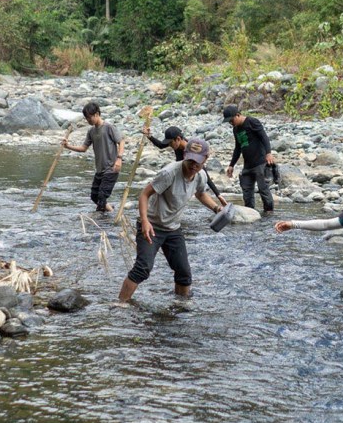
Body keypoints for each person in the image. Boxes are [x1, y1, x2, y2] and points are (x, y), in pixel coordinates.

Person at [118, 138, 223, 303]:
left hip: (173, 229)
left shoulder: (200, 176)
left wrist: (217, 209)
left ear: (205, 160)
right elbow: (144, 195)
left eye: (198, 162)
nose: (193, 165)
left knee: (184, 273)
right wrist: (144, 221)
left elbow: (201, 194)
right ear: (185, 156)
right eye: (190, 160)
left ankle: (180, 306)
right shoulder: (169, 173)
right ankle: (120, 304)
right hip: (152, 226)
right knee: (142, 268)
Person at [62, 102, 124, 213]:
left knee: (102, 196)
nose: (88, 121)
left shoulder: (108, 127)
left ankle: (103, 222)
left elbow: (121, 141)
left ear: (96, 114)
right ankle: (110, 211)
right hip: (100, 169)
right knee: (94, 196)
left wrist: (119, 159)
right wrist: (67, 146)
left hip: (111, 168)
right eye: (86, 119)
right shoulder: (91, 131)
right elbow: (83, 148)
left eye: (90, 118)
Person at [143, 125, 227, 205]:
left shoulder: (191, 150)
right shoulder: (175, 143)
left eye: (170, 143)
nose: (170, 145)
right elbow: (161, 145)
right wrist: (149, 135)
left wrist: (218, 194)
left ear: (178, 139)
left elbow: (203, 172)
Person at [222, 104, 275, 215]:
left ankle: (269, 213)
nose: (231, 123)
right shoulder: (236, 129)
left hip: (260, 162)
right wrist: (231, 165)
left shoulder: (252, 122)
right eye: (229, 122)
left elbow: (264, 137)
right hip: (248, 165)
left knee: (263, 189)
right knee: (246, 191)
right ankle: (250, 213)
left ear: (238, 115)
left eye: (232, 120)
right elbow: (238, 148)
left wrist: (269, 153)